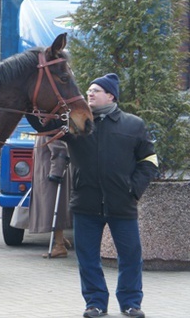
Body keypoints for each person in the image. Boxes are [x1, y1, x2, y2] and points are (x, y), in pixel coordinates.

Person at [61, 73, 158, 318]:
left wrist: (132, 189)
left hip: (122, 204)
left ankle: (131, 303)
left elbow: (149, 161)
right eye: (88, 90)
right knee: (88, 259)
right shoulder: (78, 123)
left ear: (110, 95)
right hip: (86, 203)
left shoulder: (133, 125)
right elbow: (45, 126)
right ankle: (95, 303)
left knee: (130, 257)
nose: (89, 93)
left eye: (96, 90)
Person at [29, 135, 72, 258]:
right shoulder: (44, 128)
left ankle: (59, 246)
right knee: (51, 208)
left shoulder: (48, 128)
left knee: (53, 208)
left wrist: (56, 173)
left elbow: (60, 150)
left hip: (50, 177)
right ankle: (61, 239)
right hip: (44, 175)